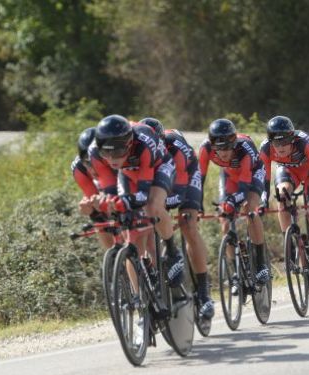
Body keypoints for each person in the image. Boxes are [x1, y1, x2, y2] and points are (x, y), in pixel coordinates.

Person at [90, 115, 184, 291]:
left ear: (129, 143)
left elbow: (142, 194)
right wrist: (108, 203)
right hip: (128, 173)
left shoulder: (143, 142)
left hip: (158, 168)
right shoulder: (94, 151)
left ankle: (172, 251)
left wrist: (126, 201)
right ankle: (141, 298)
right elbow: (109, 191)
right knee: (127, 227)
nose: (111, 159)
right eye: (106, 154)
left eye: (117, 152)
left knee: (152, 205)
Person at [139, 117, 215, 320]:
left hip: (188, 176)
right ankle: (154, 277)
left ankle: (204, 291)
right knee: (143, 223)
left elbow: (177, 195)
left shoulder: (176, 149)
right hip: (159, 178)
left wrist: (157, 208)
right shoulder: (141, 151)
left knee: (187, 223)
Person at [259, 115, 309, 288]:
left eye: (284, 142)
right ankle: (289, 245)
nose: (280, 147)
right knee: (282, 195)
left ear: (292, 139)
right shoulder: (266, 148)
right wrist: (264, 201)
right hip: (289, 172)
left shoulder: (304, 144)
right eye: (276, 143)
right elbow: (264, 179)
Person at [198, 118, 271, 285]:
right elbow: (198, 179)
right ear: (212, 145)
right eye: (219, 148)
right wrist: (198, 204)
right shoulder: (205, 148)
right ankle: (234, 272)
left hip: (252, 175)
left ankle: (261, 264)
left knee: (250, 208)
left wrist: (233, 201)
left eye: (228, 148)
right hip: (230, 175)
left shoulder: (244, 148)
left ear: (234, 143)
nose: (223, 153)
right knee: (224, 219)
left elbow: (245, 187)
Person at [71, 127, 114, 249]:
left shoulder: (115, 160)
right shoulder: (78, 169)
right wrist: (91, 209)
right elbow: (94, 200)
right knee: (95, 209)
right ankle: (114, 257)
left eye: (97, 161)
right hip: (103, 187)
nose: (93, 167)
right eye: (88, 163)